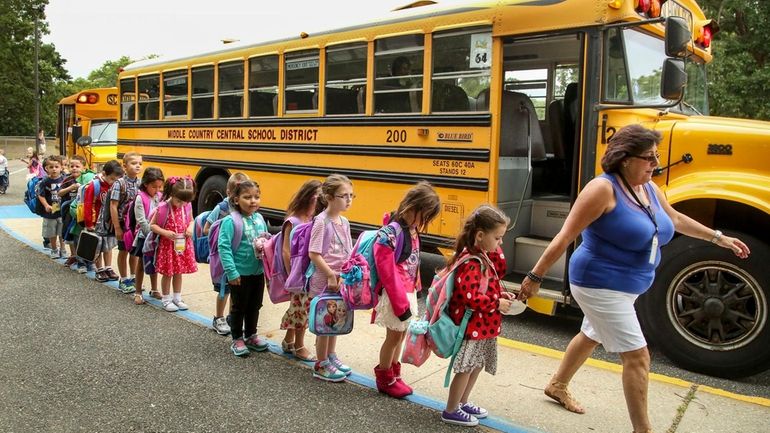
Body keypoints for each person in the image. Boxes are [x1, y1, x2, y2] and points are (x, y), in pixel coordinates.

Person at [518, 124, 751, 433]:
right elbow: (565, 236)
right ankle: (643, 430)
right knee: (638, 356)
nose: (655, 164)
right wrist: (535, 277)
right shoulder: (602, 189)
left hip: (628, 284)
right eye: (649, 158)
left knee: (592, 333)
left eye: (656, 157)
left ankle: (557, 385)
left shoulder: (649, 188)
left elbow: (675, 219)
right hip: (598, 282)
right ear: (624, 158)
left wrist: (718, 238)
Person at [439, 205, 512, 427]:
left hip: (484, 326)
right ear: (480, 235)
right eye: (498, 238)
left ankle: (462, 401)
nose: (500, 244)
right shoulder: (471, 261)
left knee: (476, 364)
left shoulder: (484, 256)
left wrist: (500, 293)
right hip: (471, 327)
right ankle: (451, 409)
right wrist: (496, 302)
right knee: (466, 367)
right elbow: (470, 297)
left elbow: (499, 272)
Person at [372, 181, 441, 398]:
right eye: (425, 215)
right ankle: (385, 378)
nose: (425, 221)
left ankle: (394, 374)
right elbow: (386, 269)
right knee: (393, 337)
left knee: (400, 336)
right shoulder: (392, 232)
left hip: (406, 291)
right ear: (411, 207)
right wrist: (400, 300)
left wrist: (415, 292)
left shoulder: (411, 230)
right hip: (395, 294)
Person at [308, 174, 354, 382]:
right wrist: (330, 275)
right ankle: (321, 363)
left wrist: (345, 274)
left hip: (340, 280)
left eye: (351, 195)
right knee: (324, 324)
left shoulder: (344, 221)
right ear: (328, 197)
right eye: (344, 195)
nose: (349, 200)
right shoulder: (321, 222)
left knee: (336, 321)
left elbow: (348, 251)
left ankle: (331, 356)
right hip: (325, 280)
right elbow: (314, 253)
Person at [217, 179, 270, 356]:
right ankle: (237, 338)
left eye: (256, 197)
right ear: (236, 199)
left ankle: (251, 335)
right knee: (239, 306)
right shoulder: (230, 221)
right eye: (247, 197)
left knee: (255, 305)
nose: (253, 201)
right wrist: (231, 272)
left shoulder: (260, 219)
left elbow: (265, 239)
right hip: (239, 273)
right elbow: (224, 248)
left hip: (258, 271)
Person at [279, 179, 322, 361]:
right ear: (309, 198)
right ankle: (299, 346)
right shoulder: (293, 220)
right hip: (298, 275)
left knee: (297, 307)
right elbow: (286, 250)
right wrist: (291, 275)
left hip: (308, 273)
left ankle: (288, 340)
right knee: (301, 310)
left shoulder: (313, 220)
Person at [205, 172, 249, 335]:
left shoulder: (246, 211)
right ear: (229, 193)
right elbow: (207, 228)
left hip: (238, 256)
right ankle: (219, 318)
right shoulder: (222, 208)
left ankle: (232, 317)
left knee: (236, 289)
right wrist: (223, 231)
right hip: (223, 256)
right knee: (223, 289)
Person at [150, 176, 197, 312]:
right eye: (179, 201)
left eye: (185, 201)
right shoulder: (163, 207)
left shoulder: (186, 205)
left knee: (179, 272)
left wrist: (190, 228)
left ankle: (177, 297)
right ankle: (166, 298)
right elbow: (152, 225)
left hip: (182, 245)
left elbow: (192, 220)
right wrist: (165, 232)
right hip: (168, 246)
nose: (182, 204)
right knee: (168, 273)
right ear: (171, 194)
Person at [84, 160, 124, 282]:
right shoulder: (95, 186)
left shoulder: (116, 186)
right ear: (104, 174)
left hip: (109, 222)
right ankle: (99, 268)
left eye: (116, 180)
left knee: (108, 246)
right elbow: (88, 204)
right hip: (96, 222)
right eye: (111, 178)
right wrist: (89, 223)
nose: (113, 182)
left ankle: (108, 267)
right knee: (98, 246)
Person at [130, 167, 164, 305]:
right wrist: (151, 233)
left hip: (157, 235)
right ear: (145, 184)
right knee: (141, 264)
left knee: (154, 262)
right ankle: (138, 291)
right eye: (154, 186)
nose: (157, 190)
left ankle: (154, 289)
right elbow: (141, 219)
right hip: (144, 236)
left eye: (159, 187)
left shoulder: (160, 196)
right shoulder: (140, 197)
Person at [110, 152, 143, 294]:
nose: (138, 166)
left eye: (140, 164)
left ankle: (134, 277)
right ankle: (123, 279)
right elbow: (113, 205)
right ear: (124, 166)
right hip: (123, 224)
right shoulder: (119, 183)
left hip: (135, 224)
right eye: (134, 163)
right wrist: (117, 227)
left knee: (134, 252)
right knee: (123, 251)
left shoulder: (141, 183)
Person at [58, 155, 93, 271]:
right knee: (73, 236)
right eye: (71, 166)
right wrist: (71, 187)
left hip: (84, 212)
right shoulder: (68, 180)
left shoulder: (88, 178)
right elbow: (59, 193)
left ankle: (88, 261)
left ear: (84, 168)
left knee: (87, 237)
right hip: (70, 212)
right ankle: (79, 261)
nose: (74, 168)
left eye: (77, 166)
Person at [37, 156, 66, 258]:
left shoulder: (65, 179)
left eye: (56, 166)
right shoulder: (45, 181)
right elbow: (41, 194)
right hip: (51, 210)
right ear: (46, 169)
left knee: (62, 231)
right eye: (51, 167)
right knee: (52, 231)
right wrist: (46, 205)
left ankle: (63, 249)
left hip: (62, 209)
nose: (54, 169)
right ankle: (54, 249)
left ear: (61, 167)